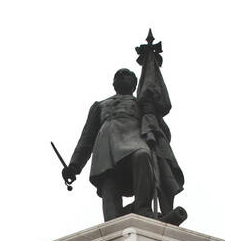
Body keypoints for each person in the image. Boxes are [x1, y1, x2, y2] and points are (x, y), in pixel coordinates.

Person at [63, 67, 184, 222]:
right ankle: (112, 223)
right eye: (118, 75)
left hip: (134, 140)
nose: (121, 76)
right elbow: (87, 138)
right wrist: (74, 166)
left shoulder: (142, 104)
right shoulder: (100, 105)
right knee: (109, 184)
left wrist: (152, 114)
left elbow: (164, 134)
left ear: (134, 86)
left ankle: (143, 209)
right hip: (105, 149)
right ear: (113, 84)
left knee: (142, 155)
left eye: (126, 75)